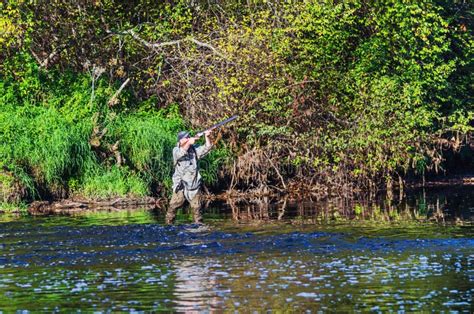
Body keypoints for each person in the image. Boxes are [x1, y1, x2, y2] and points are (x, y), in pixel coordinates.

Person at [165, 129, 213, 224]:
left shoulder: (194, 149)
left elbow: (207, 147)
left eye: (189, 137)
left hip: (194, 185)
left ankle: (198, 231)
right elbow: (181, 153)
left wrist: (207, 137)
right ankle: (168, 227)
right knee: (172, 209)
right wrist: (189, 142)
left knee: (197, 212)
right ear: (180, 141)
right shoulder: (176, 150)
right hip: (180, 186)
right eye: (186, 137)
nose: (188, 138)